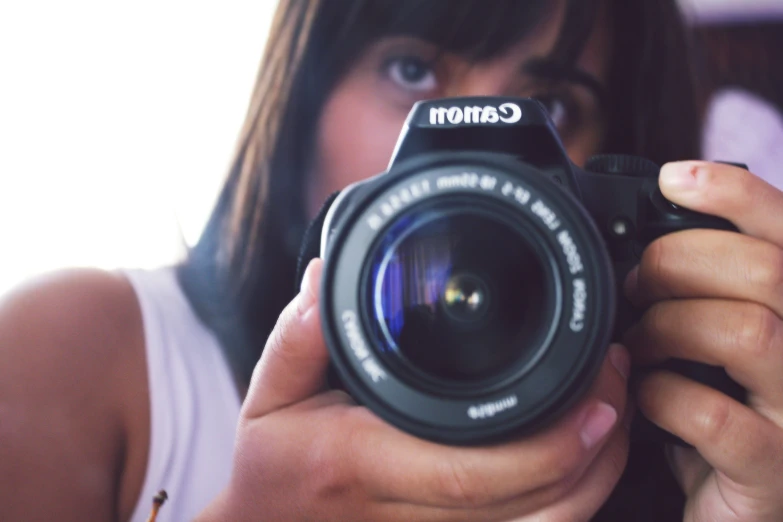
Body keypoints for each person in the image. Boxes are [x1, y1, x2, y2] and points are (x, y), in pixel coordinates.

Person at [2, 0, 783, 521]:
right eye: (410, 69)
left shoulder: (647, 433)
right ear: (301, 100)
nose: (459, 134)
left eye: (548, 108)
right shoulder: (77, 348)